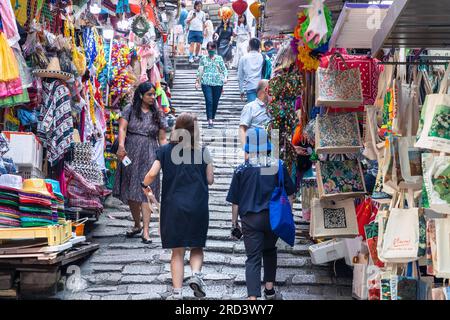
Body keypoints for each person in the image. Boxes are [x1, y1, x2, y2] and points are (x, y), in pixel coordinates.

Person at [142, 113, 214, 300]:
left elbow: (151, 174)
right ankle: (196, 275)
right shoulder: (203, 151)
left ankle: (177, 293)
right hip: (198, 206)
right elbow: (210, 179)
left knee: (177, 251)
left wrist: (144, 185)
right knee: (197, 246)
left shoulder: (165, 151)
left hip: (173, 206)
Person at [226, 128, 296, 300]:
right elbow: (291, 193)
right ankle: (270, 290)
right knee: (270, 251)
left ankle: (252, 298)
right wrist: (288, 213)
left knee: (253, 258)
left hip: (250, 220)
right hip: (273, 218)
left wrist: (234, 224)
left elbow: (235, 202)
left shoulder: (241, 169)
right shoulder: (278, 165)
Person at [113, 82, 168, 244]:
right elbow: (122, 129)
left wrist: (165, 156)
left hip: (151, 152)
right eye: (149, 95)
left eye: (153, 95)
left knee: (147, 189)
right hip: (130, 151)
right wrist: (121, 146)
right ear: (140, 95)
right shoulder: (130, 110)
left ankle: (145, 230)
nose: (152, 97)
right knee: (131, 189)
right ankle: (137, 223)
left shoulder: (158, 113)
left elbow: (162, 138)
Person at [196, 41, 228, 129]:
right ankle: (210, 120)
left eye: (212, 49)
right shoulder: (203, 58)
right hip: (206, 82)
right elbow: (200, 70)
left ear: (215, 49)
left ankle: (212, 117)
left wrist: (225, 78)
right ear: (207, 49)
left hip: (218, 83)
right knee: (209, 100)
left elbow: (224, 69)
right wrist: (197, 81)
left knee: (215, 101)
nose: (211, 51)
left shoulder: (219, 58)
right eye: (209, 49)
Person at [239, 79, 271, 146]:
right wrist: (246, 151)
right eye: (272, 90)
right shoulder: (250, 107)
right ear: (266, 90)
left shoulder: (273, 108)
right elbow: (242, 129)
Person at [238, 38, 264, 103]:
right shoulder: (262, 57)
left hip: (250, 86)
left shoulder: (244, 58)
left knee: (252, 108)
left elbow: (240, 76)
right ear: (259, 47)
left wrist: (241, 90)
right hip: (261, 86)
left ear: (249, 46)